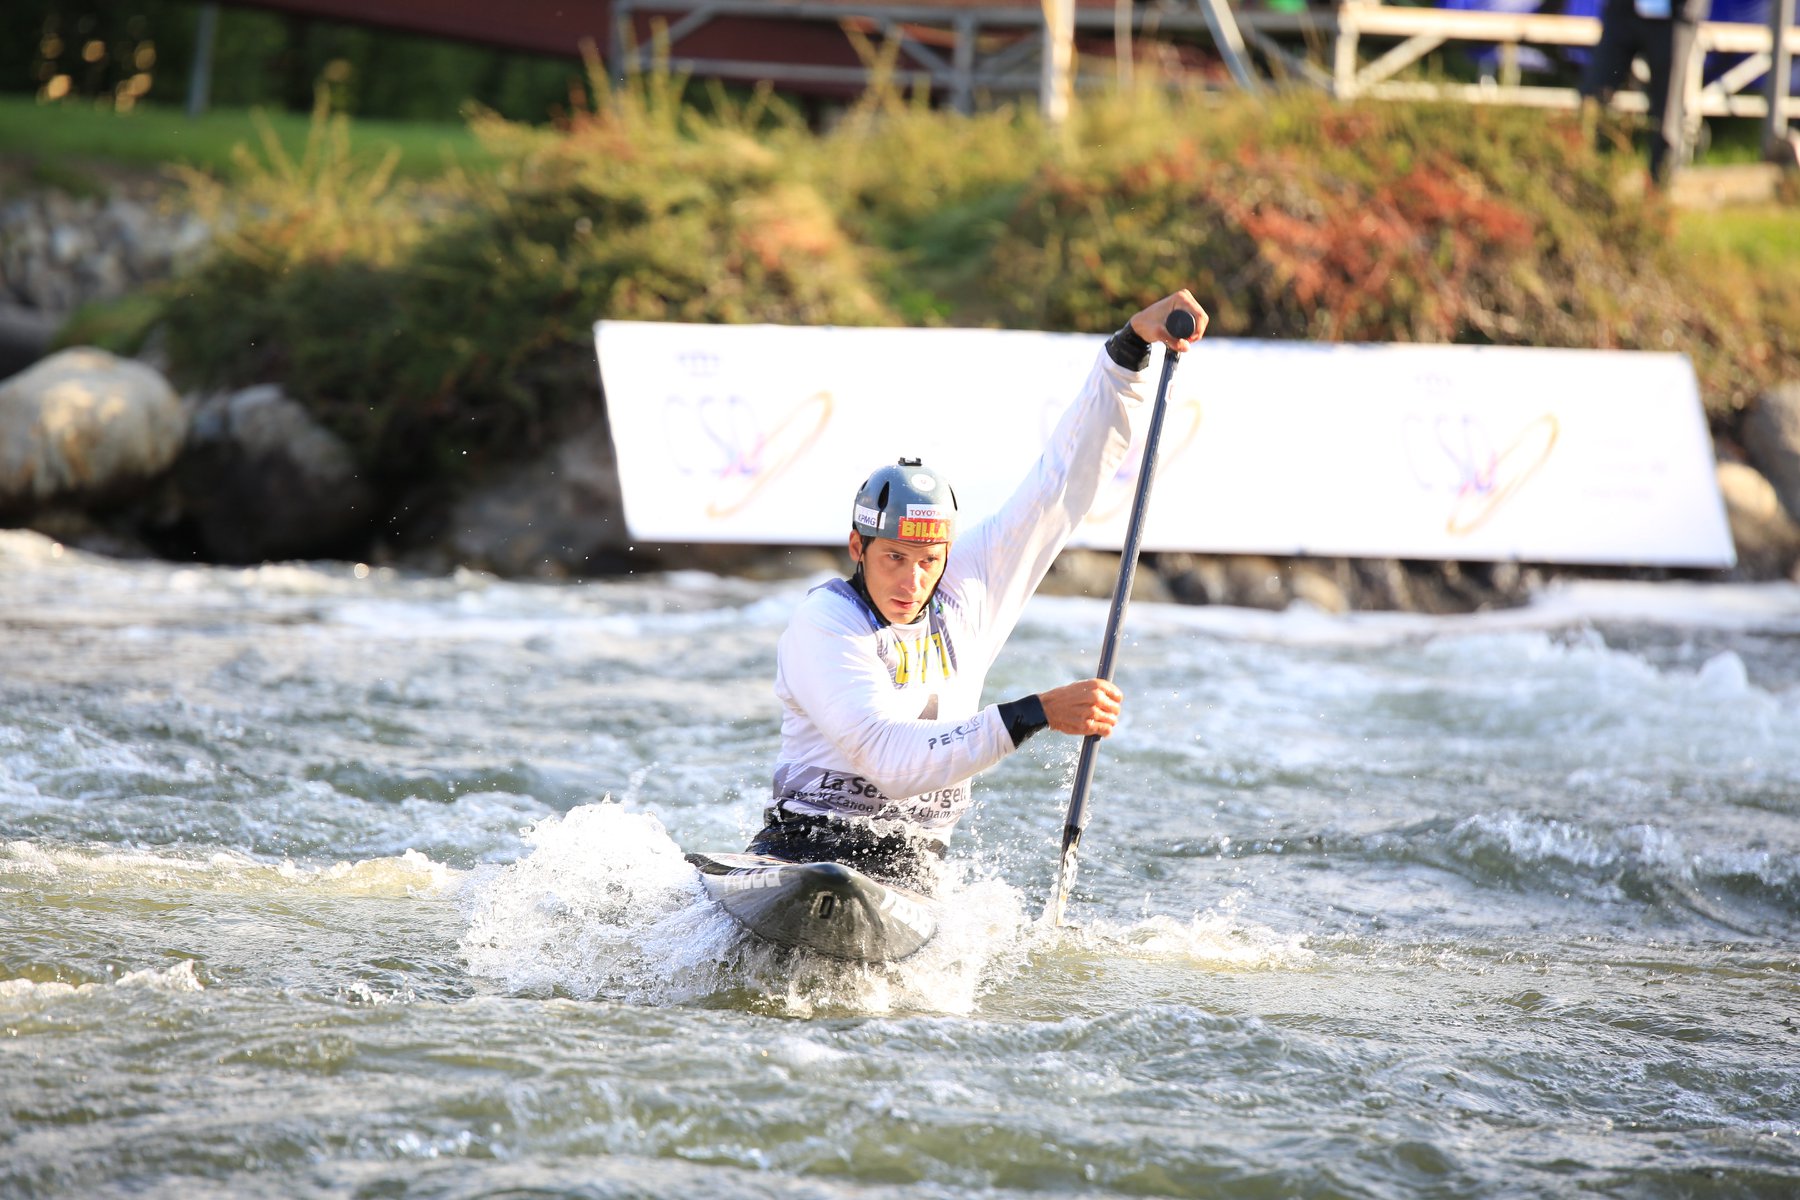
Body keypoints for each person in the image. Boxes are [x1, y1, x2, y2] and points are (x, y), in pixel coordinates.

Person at [744, 290, 1209, 890]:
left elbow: (1063, 482)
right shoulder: (825, 623)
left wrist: (1130, 349)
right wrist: (1036, 712)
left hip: (911, 870)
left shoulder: (969, 586)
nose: (912, 581)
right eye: (894, 558)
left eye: (928, 560)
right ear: (858, 549)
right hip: (804, 852)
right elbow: (888, 760)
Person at [1578, 0, 1710, 186]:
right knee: (1593, 96)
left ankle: (1658, 192)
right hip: (1625, 10)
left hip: (1674, 14)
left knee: (1668, 112)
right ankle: (1583, 177)